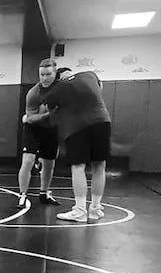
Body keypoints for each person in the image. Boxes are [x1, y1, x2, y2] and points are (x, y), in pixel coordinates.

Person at [36, 67, 111, 222]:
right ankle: (96, 209)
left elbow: (50, 110)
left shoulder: (57, 88)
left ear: (58, 78)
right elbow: (100, 88)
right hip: (101, 120)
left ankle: (80, 211)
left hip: (76, 127)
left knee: (78, 167)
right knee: (99, 166)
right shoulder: (90, 74)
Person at [17, 58, 61, 208]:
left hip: (52, 129)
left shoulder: (62, 87)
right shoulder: (33, 93)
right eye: (42, 74)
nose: (44, 78)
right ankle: (22, 195)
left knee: (49, 163)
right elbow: (29, 119)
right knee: (28, 160)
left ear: (55, 74)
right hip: (34, 128)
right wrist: (48, 115)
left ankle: (44, 193)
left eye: (48, 74)